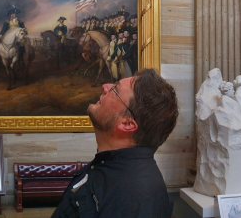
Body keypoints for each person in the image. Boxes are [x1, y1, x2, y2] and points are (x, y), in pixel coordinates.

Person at [51, 69, 178, 217]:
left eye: (115, 90)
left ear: (127, 124)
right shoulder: (111, 166)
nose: (105, 86)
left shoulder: (131, 200)